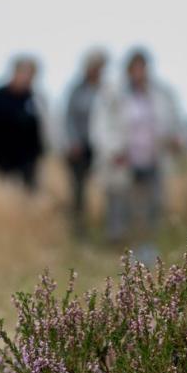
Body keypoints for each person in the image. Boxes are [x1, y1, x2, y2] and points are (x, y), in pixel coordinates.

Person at [90, 48, 187, 263]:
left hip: (153, 159)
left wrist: (177, 140)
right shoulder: (112, 94)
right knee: (124, 207)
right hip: (124, 161)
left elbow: (175, 123)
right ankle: (125, 252)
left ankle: (147, 249)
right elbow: (100, 127)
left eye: (142, 67)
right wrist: (113, 150)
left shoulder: (162, 94)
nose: (139, 72)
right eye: (134, 67)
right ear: (127, 69)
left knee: (153, 205)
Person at [0, 57, 45, 191]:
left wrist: (40, 150)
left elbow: (42, 127)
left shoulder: (35, 98)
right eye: (24, 73)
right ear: (15, 73)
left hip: (28, 155)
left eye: (31, 75)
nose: (27, 78)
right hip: (2, 154)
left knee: (29, 191)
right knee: (2, 188)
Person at [64, 49, 107, 236]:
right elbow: (68, 118)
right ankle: (79, 229)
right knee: (79, 192)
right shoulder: (75, 89)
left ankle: (105, 228)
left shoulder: (107, 89)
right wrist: (73, 142)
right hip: (79, 149)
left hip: (102, 148)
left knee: (107, 189)